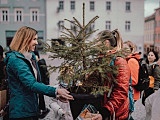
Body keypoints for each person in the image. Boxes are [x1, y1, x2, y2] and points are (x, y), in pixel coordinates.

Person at [4, 26, 74, 120]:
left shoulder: (30, 57)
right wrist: (55, 91)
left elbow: (37, 82)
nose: (36, 42)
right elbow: (31, 84)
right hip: (22, 112)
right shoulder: (16, 60)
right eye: (34, 39)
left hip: (32, 109)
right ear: (25, 40)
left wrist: (56, 94)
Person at [92, 29, 131, 120]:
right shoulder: (101, 60)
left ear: (106, 43)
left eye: (97, 41)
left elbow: (121, 91)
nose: (95, 44)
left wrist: (105, 111)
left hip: (115, 114)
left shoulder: (119, 62)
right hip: (103, 109)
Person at [33, 50, 50, 119]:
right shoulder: (36, 63)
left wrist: (46, 82)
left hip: (41, 82)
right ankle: (42, 109)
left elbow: (45, 73)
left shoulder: (40, 62)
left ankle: (43, 109)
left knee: (40, 96)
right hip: (39, 83)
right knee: (40, 97)